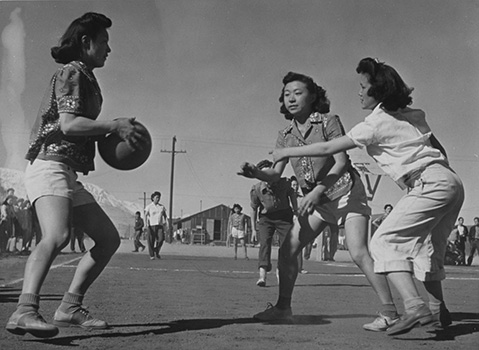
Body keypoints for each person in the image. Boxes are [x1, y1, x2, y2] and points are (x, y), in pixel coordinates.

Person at [270, 58, 464, 335]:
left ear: (378, 90)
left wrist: (285, 152)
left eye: (363, 87)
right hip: (449, 180)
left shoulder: (373, 123)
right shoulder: (412, 113)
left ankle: (413, 307)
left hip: (425, 181)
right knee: (428, 250)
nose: (359, 92)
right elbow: (437, 147)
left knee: (384, 242)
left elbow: (327, 149)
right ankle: (436, 309)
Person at [6, 12, 147, 339]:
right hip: (49, 165)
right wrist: (114, 125)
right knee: (55, 236)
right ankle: (24, 310)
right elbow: (68, 125)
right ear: (86, 43)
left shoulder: (86, 77)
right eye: (105, 42)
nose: (108, 50)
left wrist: (112, 134)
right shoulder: (72, 72)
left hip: (67, 172)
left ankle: (69, 306)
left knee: (109, 239)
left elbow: (77, 129)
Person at [239, 71, 399, 332]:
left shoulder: (328, 122)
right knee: (288, 249)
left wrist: (314, 192)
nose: (291, 98)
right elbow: (276, 174)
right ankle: (283, 308)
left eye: (298, 93)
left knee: (359, 252)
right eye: (287, 94)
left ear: (313, 97)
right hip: (318, 202)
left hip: (346, 194)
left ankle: (390, 312)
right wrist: (256, 173)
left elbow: (341, 162)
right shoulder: (285, 134)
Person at [250, 160, 297, 287]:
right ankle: (262, 276)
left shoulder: (285, 183)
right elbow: (254, 209)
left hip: (284, 216)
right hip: (266, 218)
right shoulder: (256, 189)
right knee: (264, 244)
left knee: (286, 246)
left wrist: (297, 213)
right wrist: (254, 230)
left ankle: (281, 274)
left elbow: (292, 197)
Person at [144, 191, 168, 260]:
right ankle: (152, 255)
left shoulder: (161, 207)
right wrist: (145, 224)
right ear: (153, 198)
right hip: (151, 225)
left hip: (159, 225)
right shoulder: (149, 207)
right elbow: (145, 215)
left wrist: (167, 223)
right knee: (151, 240)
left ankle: (156, 250)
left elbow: (165, 216)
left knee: (161, 239)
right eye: (157, 197)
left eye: (159, 197)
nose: (158, 199)